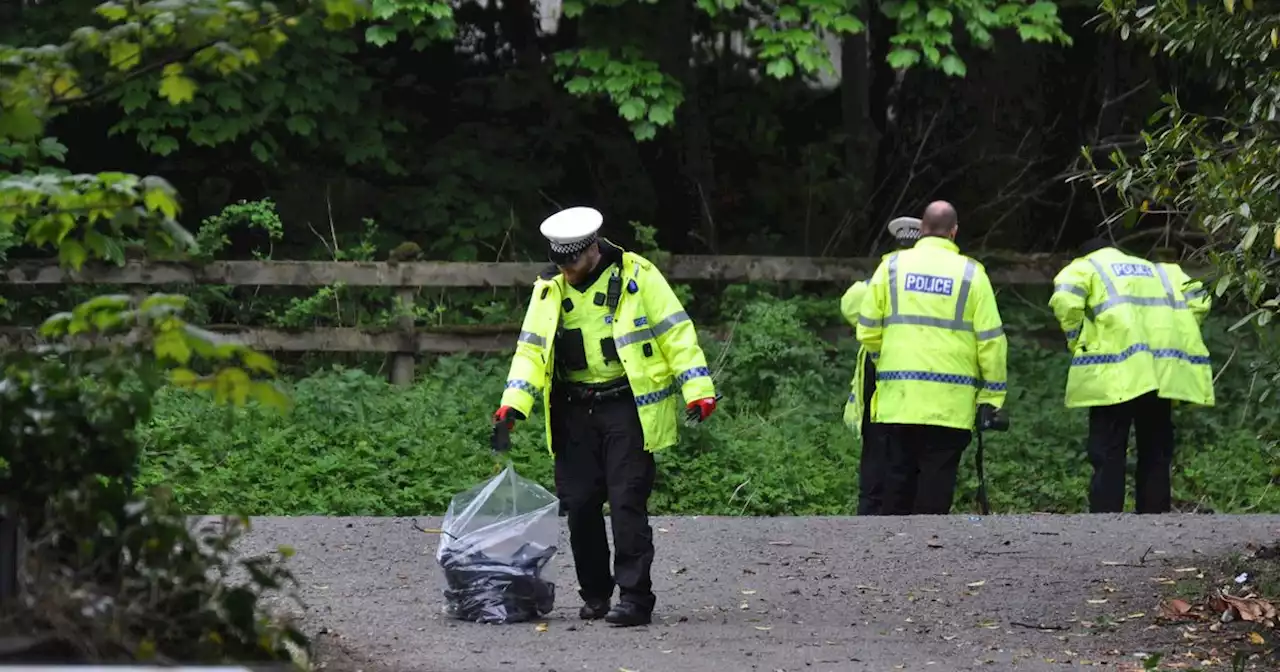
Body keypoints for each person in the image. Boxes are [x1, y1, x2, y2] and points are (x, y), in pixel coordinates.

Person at [492, 206, 718, 626]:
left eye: (573, 263)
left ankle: (635, 598)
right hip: (572, 409)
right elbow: (530, 350)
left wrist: (698, 388)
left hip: (625, 406)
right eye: (560, 264)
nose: (567, 272)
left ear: (593, 249)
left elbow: (676, 332)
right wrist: (513, 404)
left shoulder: (638, 276)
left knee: (627, 500)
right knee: (579, 504)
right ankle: (596, 594)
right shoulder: (549, 288)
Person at [855, 201, 1009, 515]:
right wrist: (992, 395)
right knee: (938, 480)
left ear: (921, 229)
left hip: (900, 398)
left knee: (897, 475)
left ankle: (889, 555)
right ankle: (929, 555)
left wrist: (883, 362)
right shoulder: (972, 274)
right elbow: (991, 341)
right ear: (954, 232)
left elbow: (868, 328)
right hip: (949, 404)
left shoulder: (892, 267)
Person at [1048, 238, 1214, 514]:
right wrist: (1176, 333)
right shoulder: (1159, 270)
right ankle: (1153, 515)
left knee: (1108, 446)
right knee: (1155, 446)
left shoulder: (1088, 266)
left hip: (1116, 371)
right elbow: (1199, 297)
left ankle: (1106, 517)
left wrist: (1077, 340)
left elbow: (1065, 297)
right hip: (1161, 370)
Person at [840, 216, 921, 515]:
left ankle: (871, 510)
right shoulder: (930, 272)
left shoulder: (881, 275)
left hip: (879, 363)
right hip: (921, 368)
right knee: (909, 442)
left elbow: (850, 303)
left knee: (876, 442)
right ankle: (901, 510)